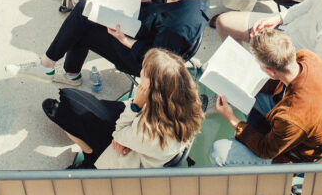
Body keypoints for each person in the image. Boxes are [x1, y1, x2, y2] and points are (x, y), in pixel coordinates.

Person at [17, 0, 208, 84]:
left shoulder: (177, 27)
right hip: (148, 23)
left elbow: (154, 59)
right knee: (87, 8)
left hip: (144, 56)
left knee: (83, 24)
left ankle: (52, 67)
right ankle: (62, 71)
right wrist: (132, 0)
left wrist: (124, 40)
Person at [41, 48, 204, 169]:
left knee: (72, 107)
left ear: (149, 85)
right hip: (141, 133)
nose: (140, 71)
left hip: (132, 149)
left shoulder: (147, 132)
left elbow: (119, 134)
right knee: (79, 105)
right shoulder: (186, 100)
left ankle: (90, 155)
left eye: (143, 70)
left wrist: (136, 105)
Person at [210, 29, 322, 165]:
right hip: (304, 124)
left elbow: (265, 150)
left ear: (271, 71)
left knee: (218, 152)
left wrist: (232, 119)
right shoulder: (307, 57)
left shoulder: (291, 118)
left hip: (293, 156)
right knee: (247, 90)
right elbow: (275, 83)